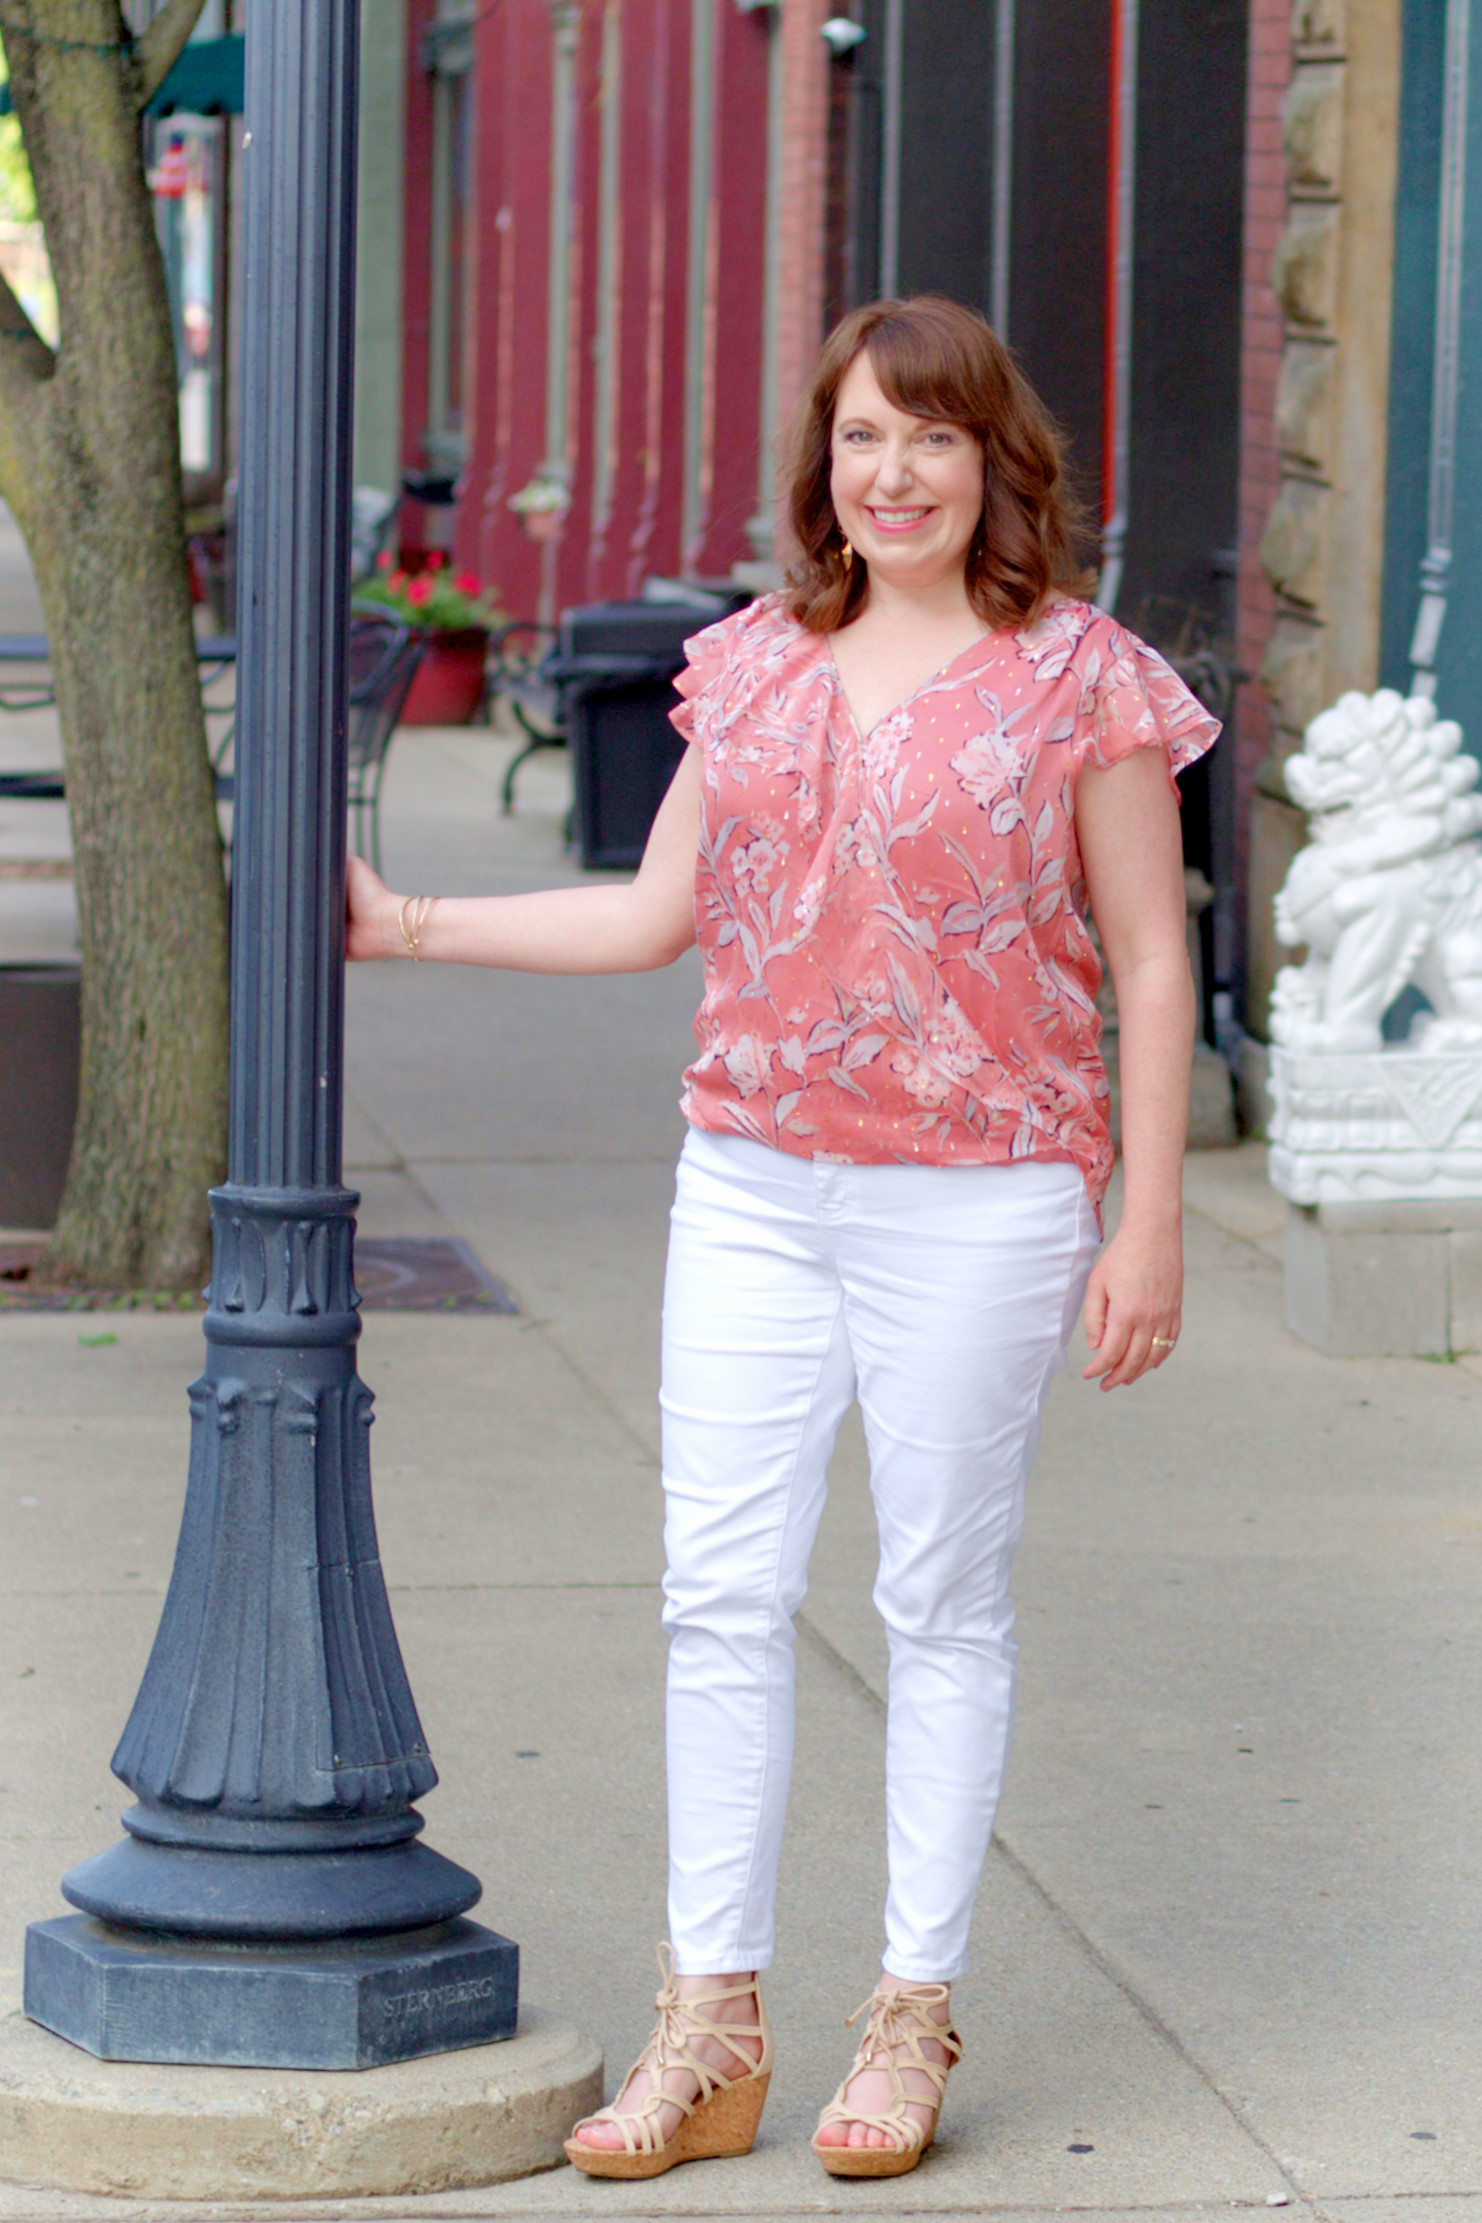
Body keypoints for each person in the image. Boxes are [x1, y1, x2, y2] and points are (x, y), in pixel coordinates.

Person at [346, 294, 1218, 2184]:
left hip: (983, 1197)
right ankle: (708, 2029)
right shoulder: (747, 661)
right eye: (857, 439)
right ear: (820, 468)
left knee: (935, 1605)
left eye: (927, 436)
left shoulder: (1082, 678)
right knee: (716, 1600)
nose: (889, 473)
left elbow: (1152, 963)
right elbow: (655, 916)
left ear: (993, 458)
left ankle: (907, 2019)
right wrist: (403, 922)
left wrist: (1145, 1223)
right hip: (750, 1182)